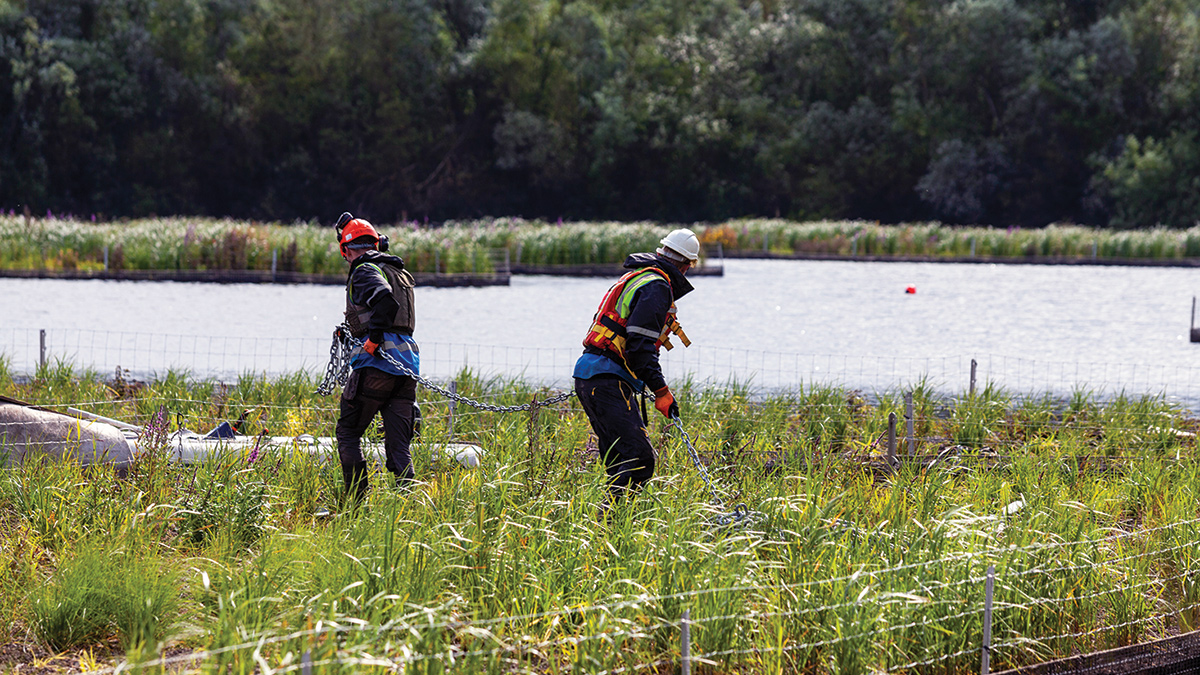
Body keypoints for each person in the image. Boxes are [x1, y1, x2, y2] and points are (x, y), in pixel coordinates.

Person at [573, 228, 699, 512]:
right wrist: (662, 392)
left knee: (622, 461)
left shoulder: (637, 276)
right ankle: (608, 524)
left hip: (590, 374)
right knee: (641, 460)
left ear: (662, 252)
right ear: (687, 265)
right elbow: (640, 347)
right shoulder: (657, 286)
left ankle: (609, 533)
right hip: (606, 380)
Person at [333, 213, 420, 504]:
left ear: (346, 249)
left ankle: (355, 505)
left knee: (348, 433)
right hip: (406, 370)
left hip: (376, 365)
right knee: (399, 445)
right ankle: (408, 505)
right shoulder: (399, 272)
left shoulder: (364, 270)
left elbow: (384, 301)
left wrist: (373, 339)